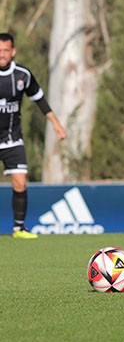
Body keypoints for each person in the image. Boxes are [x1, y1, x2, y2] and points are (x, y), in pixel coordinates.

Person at [0, 32, 66, 239]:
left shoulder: (22, 75)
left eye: (5, 50)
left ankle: (19, 228)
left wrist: (55, 123)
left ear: (13, 51)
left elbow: (39, 99)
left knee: (20, 182)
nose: (1, 54)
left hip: (12, 138)